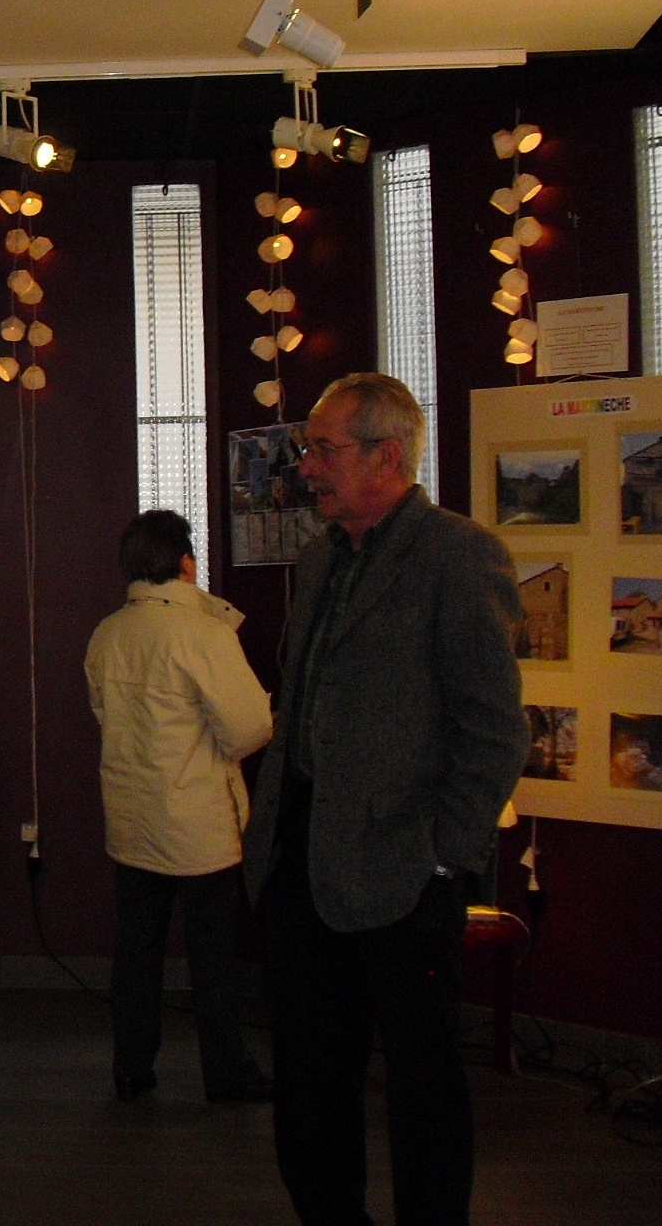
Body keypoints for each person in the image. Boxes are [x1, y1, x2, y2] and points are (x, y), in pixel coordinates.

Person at [242, 373, 529, 1226]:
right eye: (308, 450)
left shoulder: (458, 555)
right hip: (301, 861)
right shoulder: (321, 556)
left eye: (323, 450)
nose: (307, 467)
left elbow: (494, 728)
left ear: (387, 455)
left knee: (423, 1087)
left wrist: (443, 855)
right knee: (308, 1082)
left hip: (405, 871)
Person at [85, 510, 272, 1103]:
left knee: (137, 950)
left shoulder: (108, 634)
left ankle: (131, 1066)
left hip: (132, 817)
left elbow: (104, 714)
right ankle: (226, 1073)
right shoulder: (204, 634)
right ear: (185, 561)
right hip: (198, 823)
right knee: (213, 956)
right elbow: (249, 728)